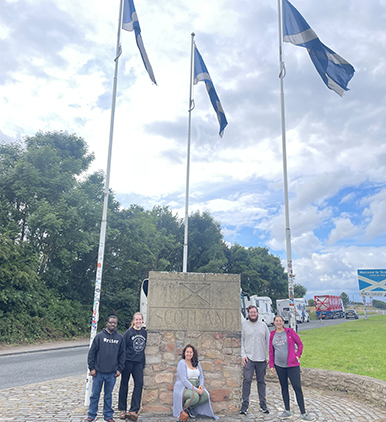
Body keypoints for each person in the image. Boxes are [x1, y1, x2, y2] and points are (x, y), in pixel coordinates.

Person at [269, 315, 313, 421]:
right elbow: (271, 350)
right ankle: (287, 411)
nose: (278, 323)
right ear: (274, 322)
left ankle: (303, 413)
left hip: (292, 365)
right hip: (279, 365)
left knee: (297, 387)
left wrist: (297, 355)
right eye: (276, 321)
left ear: (283, 322)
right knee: (284, 387)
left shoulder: (290, 332)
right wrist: (271, 364)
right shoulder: (272, 334)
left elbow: (300, 344)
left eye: (280, 321)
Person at [85, 314, 126, 422]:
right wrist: (92, 368)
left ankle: (108, 415)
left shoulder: (120, 338)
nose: (113, 324)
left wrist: (119, 369)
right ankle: (91, 415)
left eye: (115, 323)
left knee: (108, 396)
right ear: (107, 323)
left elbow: (122, 355)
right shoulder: (99, 336)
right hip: (98, 372)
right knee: (94, 395)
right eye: (111, 322)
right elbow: (91, 354)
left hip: (112, 373)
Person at [173, 344, 218, 421]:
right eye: (187, 352)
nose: (189, 354)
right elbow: (184, 380)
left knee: (205, 396)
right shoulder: (182, 363)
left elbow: (201, 376)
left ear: (193, 353)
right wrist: (196, 390)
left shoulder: (196, 363)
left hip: (197, 385)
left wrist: (201, 385)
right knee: (195, 396)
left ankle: (190, 409)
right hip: (184, 387)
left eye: (191, 352)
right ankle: (184, 410)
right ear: (184, 353)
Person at [240, 305, 270, 415]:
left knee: (261, 381)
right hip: (249, 358)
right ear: (248, 313)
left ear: (257, 313)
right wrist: (243, 355)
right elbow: (241, 341)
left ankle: (263, 403)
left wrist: (268, 357)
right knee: (247, 381)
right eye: (251, 312)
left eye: (255, 312)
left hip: (261, 358)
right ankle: (245, 404)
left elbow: (268, 341)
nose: (253, 314)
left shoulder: (263, 325)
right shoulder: (244, 325)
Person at [118, 312, 147, 421]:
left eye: (140, 319)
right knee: (124, 384)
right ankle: (122, 409)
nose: (138, 321)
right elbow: (123, 348)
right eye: (136, 319)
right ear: (133, 321)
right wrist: (121, 363)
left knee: (139, 384)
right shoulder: (128, 333)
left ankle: (134, 410)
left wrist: (143, 362)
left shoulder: (144, 333)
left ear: (142, 321)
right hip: (128, 362)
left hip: (138, 362)